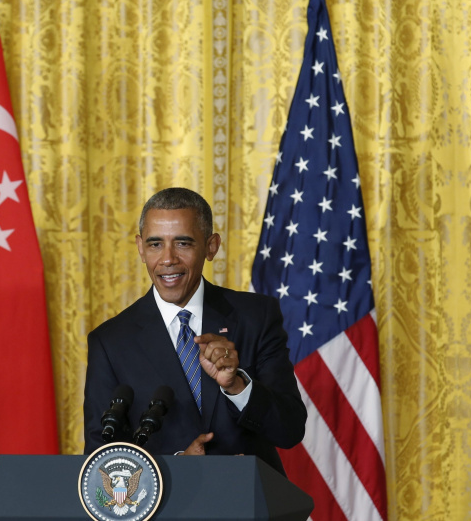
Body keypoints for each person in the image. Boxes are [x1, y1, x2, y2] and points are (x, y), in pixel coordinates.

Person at [83, 187, 306, 474]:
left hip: (250, 496)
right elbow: (100, 459)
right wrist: (176, 468)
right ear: (140, 248)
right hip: (165, 501)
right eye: (155, 244)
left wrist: (237, 386)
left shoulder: (256, 317)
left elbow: (290, 430)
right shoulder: (110, 341)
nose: (168, 259)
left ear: (211, 246)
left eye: (183, 243)